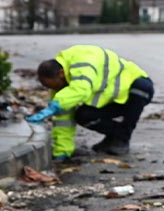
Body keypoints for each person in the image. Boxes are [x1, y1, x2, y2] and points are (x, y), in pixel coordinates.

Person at [26, 46, 154, 158]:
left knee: (140, 88)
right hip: (113, 100)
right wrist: (62, 151)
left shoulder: (83, 60)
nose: (54, 90)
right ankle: (114, 136)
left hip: (136, 90)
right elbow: (63, 121)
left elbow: (81, 88)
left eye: (54, 85)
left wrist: (56, 104)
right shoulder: (61, 89)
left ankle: (123, 139)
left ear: (61, 73)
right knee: (83, 116)